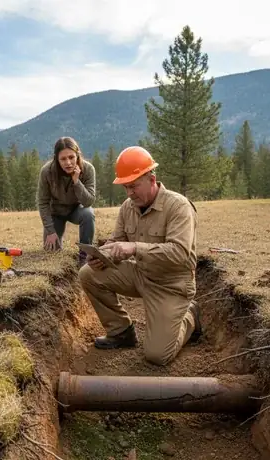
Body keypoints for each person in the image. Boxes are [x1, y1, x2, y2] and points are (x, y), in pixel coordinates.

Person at [78, 145, 201, 366]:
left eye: (134, 186)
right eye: (126, 187)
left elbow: (180, 253)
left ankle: (190, 316)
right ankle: (121, 332)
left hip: (171, 284)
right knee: (88, 273)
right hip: (141, 275)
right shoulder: (128, 207)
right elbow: (118, 242)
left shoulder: (178, 207)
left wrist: (134, 248)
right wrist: (102, 255)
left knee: (157, 355)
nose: (129, 193)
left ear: (152, 179)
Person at [36, 136, 97, 265]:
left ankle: (84, 255)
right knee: (51, 251)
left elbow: (88, 202)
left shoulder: (88, 169)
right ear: (56, 159)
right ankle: (57, 240)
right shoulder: (47, 171)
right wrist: (50, 231)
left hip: (76, 209)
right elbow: (43, 202)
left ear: (77, 155)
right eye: (63, 159)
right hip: (55, 212)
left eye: (71, 157)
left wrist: (76, 181)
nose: (68, 163)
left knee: (88, 214)